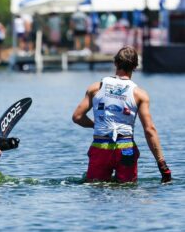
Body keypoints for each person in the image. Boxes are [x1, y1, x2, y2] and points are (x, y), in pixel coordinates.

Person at [72, 46, 172, 183]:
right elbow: (149, 130)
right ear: (135, 66)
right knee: (127, 192)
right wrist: (162, 164)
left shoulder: (96, 87)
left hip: (100, 147)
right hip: (125, 149)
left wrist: (96, 125)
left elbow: (77, 117)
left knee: (96, 188)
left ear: (115, 63)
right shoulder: (140, 94)